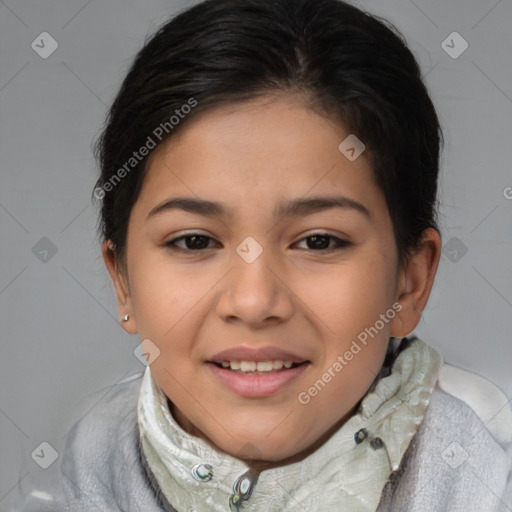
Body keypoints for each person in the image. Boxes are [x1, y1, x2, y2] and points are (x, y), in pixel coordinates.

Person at [12, 0, 512, 510]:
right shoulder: (72, 473)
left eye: (318, 241)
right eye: (194, 241)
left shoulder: (484, 480)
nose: (253, 302)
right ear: (123, 282)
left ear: (410, 280)